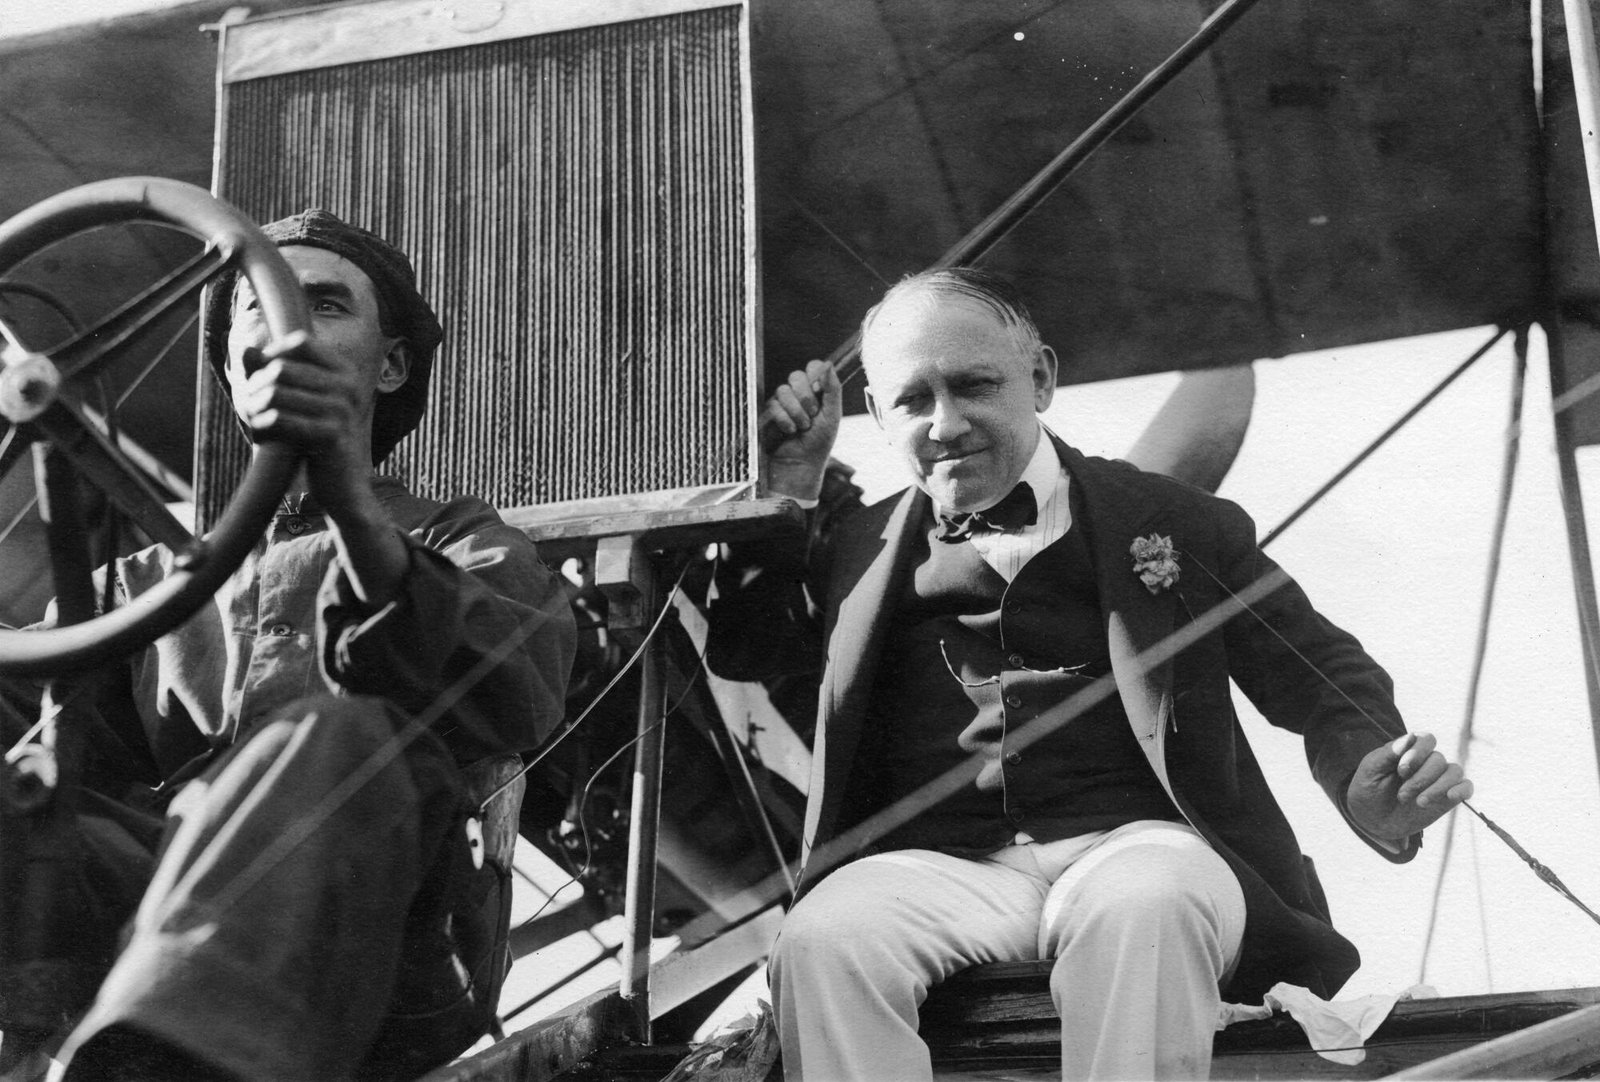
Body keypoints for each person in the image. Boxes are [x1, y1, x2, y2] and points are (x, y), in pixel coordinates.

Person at [705, 267, 1472, 1081]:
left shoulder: (1174, 520)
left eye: (974, 385)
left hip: (1141, 846)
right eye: (913, 400)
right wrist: (791, 486)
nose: (945, 423)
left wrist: (1364, 779)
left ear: (1040, 378)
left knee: (1149, 903)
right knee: (824, 937)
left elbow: (1320, 673)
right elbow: (747, 650)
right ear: (876, 413)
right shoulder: (857, 547)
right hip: (947, 870)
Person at [0, 210, 575, 1080]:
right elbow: (38, 707)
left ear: (390, 367)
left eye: (326, 305)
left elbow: (517, 688)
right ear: (234, 368)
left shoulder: (465, 540)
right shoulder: (148, 580)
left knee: (334, 738)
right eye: (258, 308)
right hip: (154, 903)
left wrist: (351, 505)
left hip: (389, 936)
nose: (287, 330)